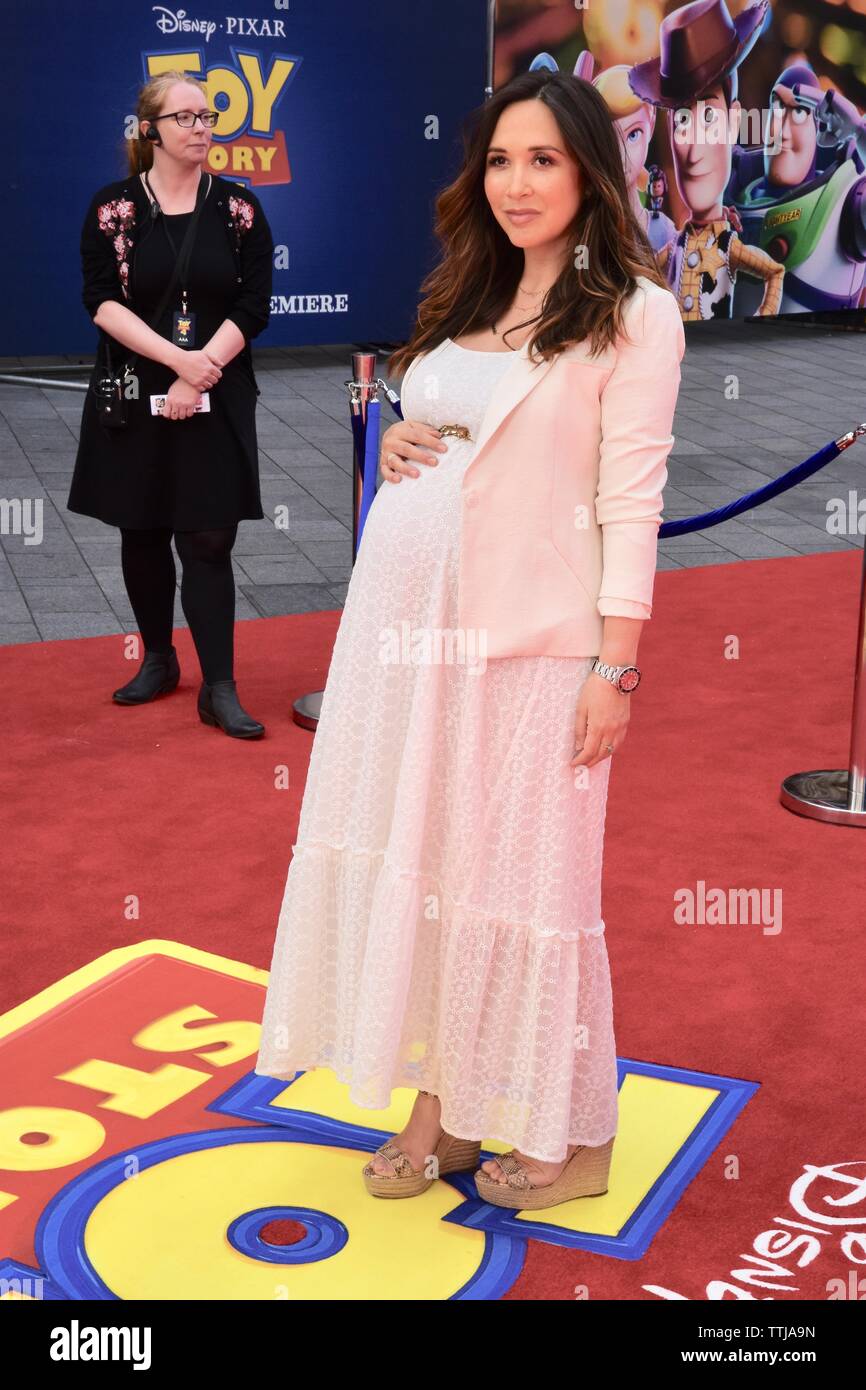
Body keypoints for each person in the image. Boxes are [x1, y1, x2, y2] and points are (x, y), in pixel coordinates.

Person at [255, 68, 685, 1209]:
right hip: (403, 638)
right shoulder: (467, 286)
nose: (515, 182)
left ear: (592, 170)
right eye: (498, 159)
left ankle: (572, 1135)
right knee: (438, 867)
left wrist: (614, 664)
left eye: (542, 158)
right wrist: (400, 433)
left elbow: (630, 503)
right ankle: (443, 1109)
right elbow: (437, 409)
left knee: (530, 888)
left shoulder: (636, 312)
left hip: (533, 647)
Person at [67, 70, 274, 738]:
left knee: (209, 534)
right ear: (149, 128)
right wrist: (178, 363)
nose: (201, 128)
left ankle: (220, 687)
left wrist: (201, 369)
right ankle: (157, 657)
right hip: (136, 388)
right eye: (185, 117)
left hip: (215, 388)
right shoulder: (113, 210)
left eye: (208, 116)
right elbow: (101, 301)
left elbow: (253, 304)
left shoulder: (238, 209)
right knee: (143, 526)